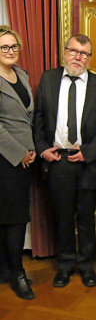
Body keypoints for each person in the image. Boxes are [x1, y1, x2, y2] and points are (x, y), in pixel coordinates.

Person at [34, 34, 96, 288]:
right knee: (63, 217)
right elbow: (38, 119)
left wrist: (89, 152)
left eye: (84, 53)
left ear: (90, 58)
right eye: (73, 51)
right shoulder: (48, 79)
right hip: (58, 160)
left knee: (86, 218)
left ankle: (87, 266)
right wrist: (42, 149)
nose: (77, 57)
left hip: (87, 162)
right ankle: (65, 265)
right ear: (64, 52)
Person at [0, 25, 36, 300]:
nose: (10, 51)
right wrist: (20, 152)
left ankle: (6, 269)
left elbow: (27, 118)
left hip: (25, 159)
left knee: (13, 216)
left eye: (14, 46)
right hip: (5, 160)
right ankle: (18, 274)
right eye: (4, 47)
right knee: (14, 219)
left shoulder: (21, 74)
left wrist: (32, 149)